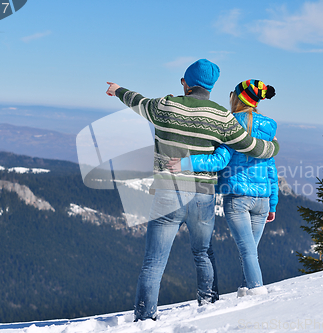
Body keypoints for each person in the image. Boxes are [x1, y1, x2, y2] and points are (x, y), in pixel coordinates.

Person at [106, 60, 279, 321]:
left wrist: (117, 90)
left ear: (186, 83)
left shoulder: (164, 105)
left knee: (154, 262)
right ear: (211, 87)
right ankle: (208, 306)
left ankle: (144, 317)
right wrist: (274, 148)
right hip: (203, 195)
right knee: (203, 252)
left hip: (168, 193)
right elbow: (252, 147)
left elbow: (137, 101)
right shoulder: (222, 116)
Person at [168, 79, 279, 297]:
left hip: (237, 198)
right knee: (250, 252)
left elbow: (218, 161)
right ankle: (246, 291)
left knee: (248, 251)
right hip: (262, 200)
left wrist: (186, 163)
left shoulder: (230, 125)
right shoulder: (268, 130)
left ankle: (257, 294)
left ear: (237, 99)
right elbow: (271, 170)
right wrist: (273, 202)